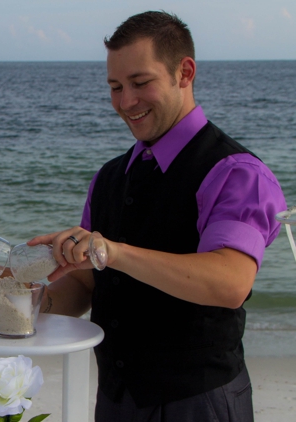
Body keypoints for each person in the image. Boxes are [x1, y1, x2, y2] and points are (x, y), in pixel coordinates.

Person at [29, 11, 286, 422]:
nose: (126, 101)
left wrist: (114, 252)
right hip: (115, 399)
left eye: (140, 83)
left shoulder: (236, 171)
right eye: (115, 87)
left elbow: (230, 282)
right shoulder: (109, 177)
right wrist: (25, 301)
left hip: (200, 401)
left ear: (184, 73)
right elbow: (88, 282)